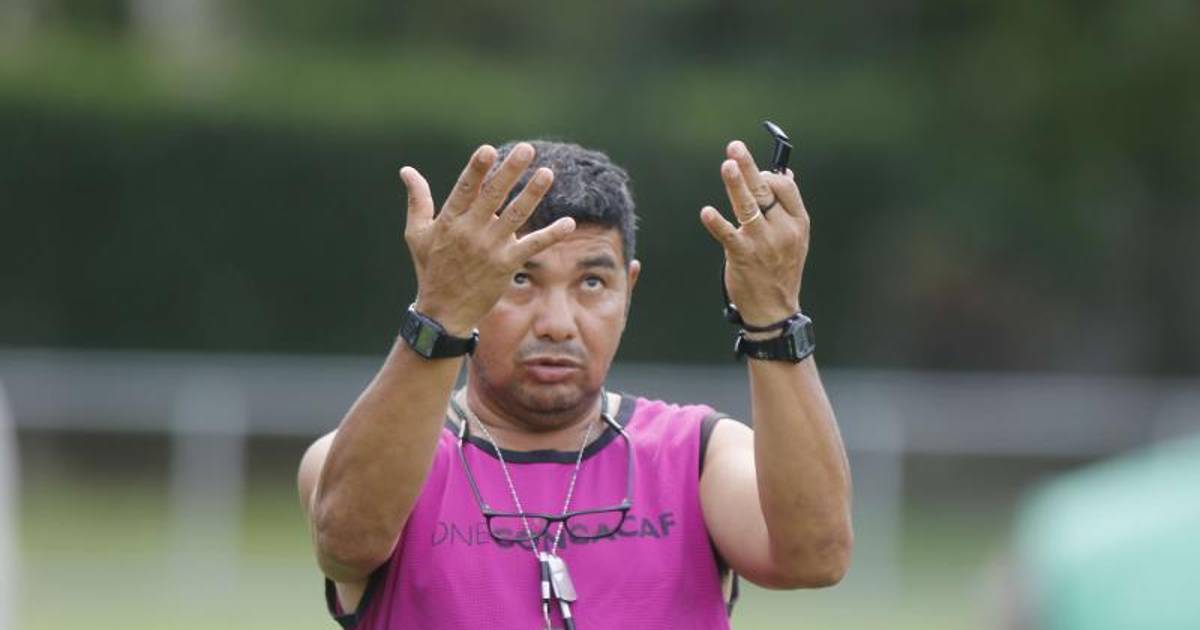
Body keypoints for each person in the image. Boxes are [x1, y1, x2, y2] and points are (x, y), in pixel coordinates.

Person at [297, 138, 853, 629]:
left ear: (628, 292)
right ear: (467, 282)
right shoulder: (361, 459)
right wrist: (438, 315)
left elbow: (816, 557)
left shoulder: (697, 455)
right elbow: (347, 543)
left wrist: (774, 316)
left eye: (591, 282)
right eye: (520, 278)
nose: (557, 323)